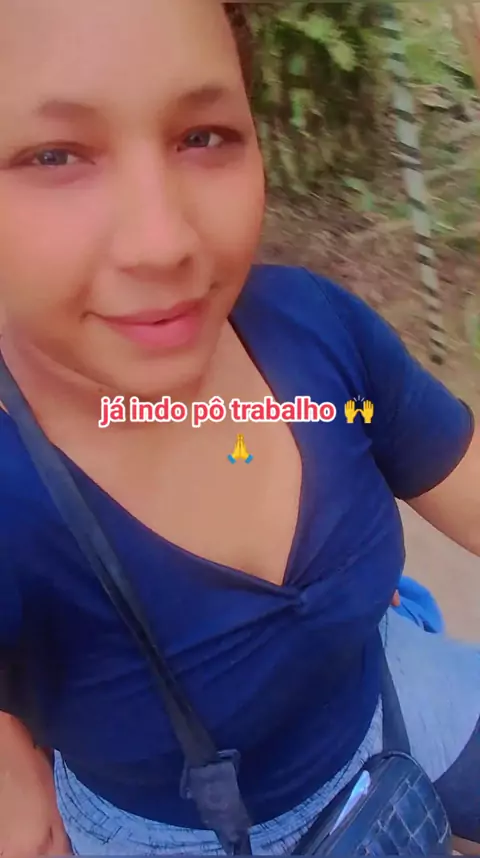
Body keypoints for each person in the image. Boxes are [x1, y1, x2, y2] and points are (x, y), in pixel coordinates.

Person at [0, 0, 478, 855]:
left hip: (399, 698)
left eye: (203, 136)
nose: (162, 243)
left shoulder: (316, 331)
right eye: (54, 155)